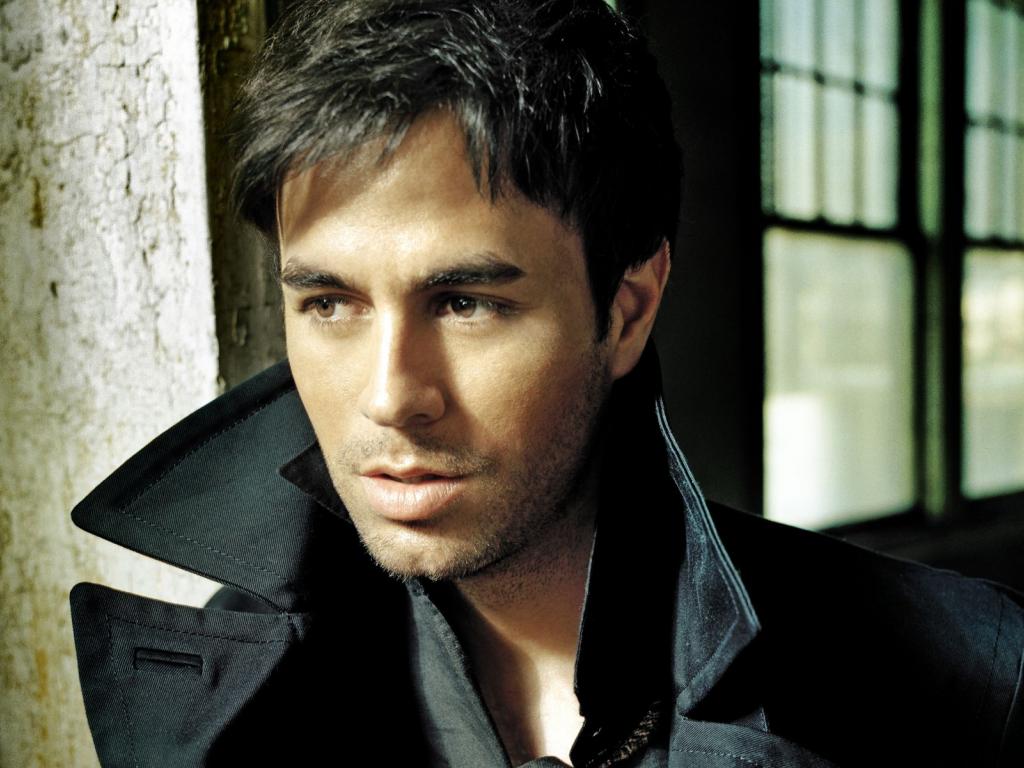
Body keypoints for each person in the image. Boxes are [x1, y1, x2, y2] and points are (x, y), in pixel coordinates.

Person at [69, 1, 1023, 766]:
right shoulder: (240, 683)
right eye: (329, 303)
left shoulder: (964, 677)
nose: (390, 396)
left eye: (466, 303)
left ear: (627, 311)